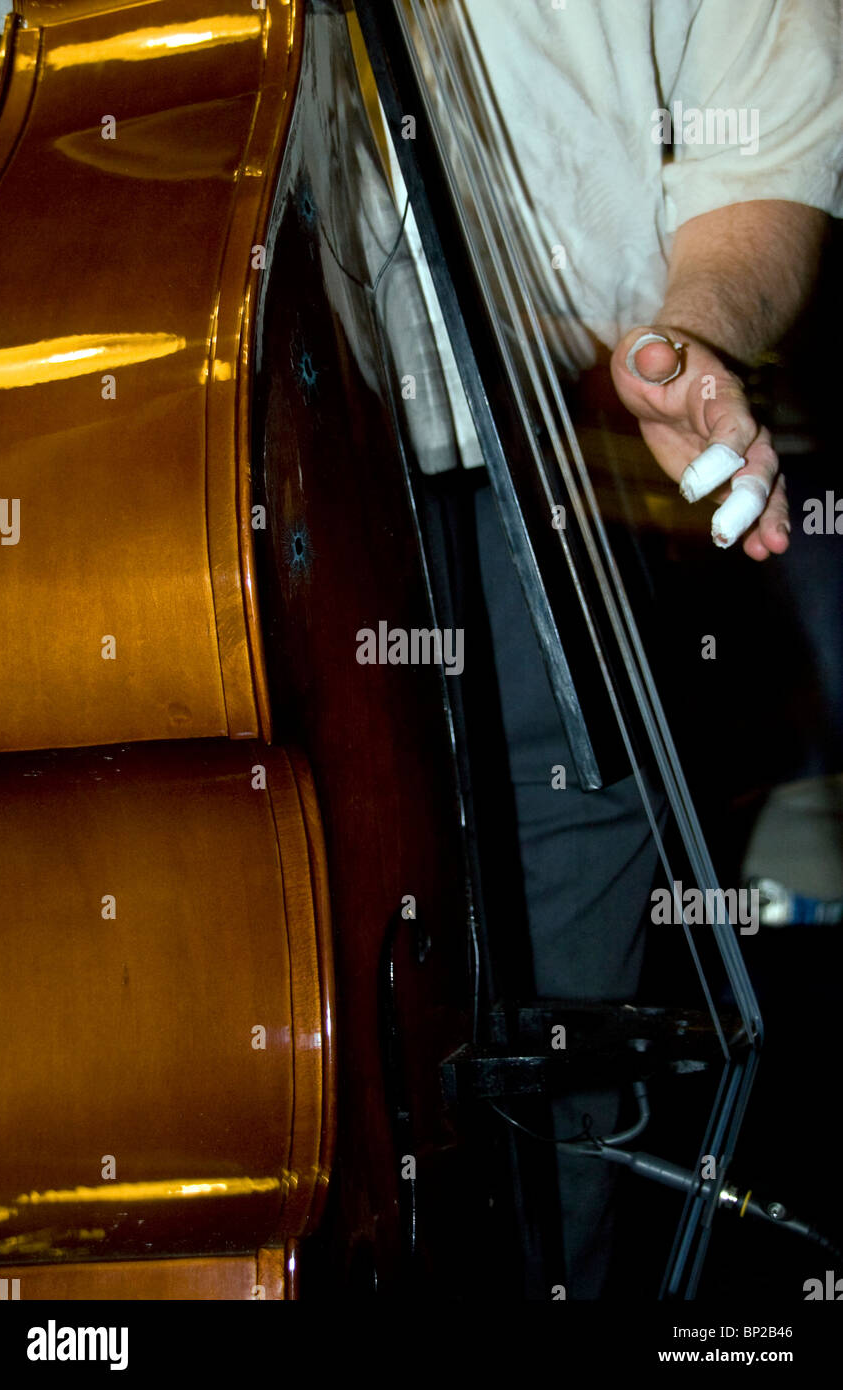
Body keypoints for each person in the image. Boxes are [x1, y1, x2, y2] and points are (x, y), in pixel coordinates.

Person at [376, 0, 842, 1297]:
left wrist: (696, 322)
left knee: (551, 1154)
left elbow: (762, 146)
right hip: (186, 509)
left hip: (548, 489)